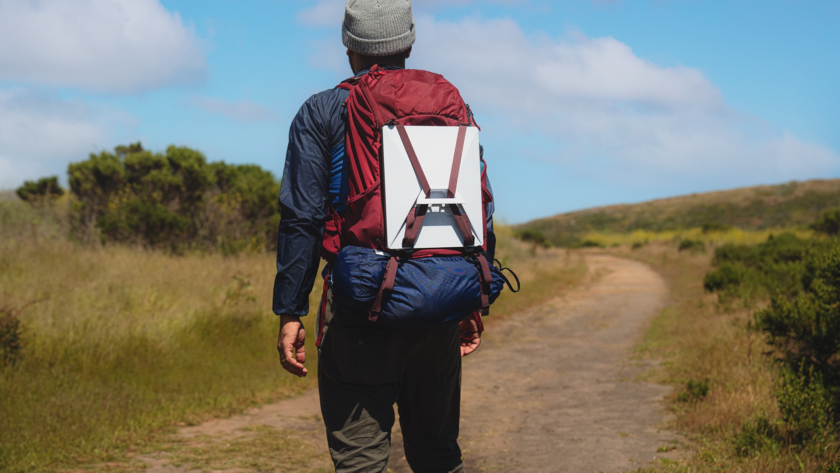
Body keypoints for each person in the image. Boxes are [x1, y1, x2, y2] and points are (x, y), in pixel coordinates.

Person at [273, 1, 495, 471]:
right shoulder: (449, 105)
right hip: (436, 303)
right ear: (409, 41)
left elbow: (302, 218)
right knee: (438, 457)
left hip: (359, 306)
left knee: (360, 463)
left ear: (347, 44)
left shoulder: (322, 112)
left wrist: (290, 308)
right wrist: (469, 299)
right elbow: (476, 205)